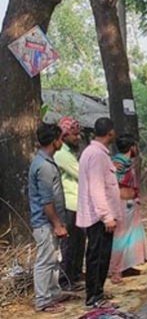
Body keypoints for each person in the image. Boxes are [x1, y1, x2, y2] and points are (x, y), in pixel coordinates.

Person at [77, 117, 120, 309]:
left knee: (99, 255)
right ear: (110, 132)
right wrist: (106, 216)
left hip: (98, 216)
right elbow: (96, 188)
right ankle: (94, 296)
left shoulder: (95, 153)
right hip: (98, 218)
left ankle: (98, 293)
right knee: (98, 257)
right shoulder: (96, 155)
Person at [29, 123, 68, 313]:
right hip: (45, 223)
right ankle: (43, 300)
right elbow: (47, 201)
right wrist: (57, 224)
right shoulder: (44, 166)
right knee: (45, 261)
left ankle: (53, 293)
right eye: (61, 139)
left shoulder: (45, 162)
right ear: (54, 141)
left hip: (49, 222)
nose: (62, 142)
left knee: (53, 259)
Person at [109, 134, 147, 284]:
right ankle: (116, 270)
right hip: (122, 203)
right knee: (121, 237)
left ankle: (127, 265)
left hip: (131, 201)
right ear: (132, 147)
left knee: (132, 235)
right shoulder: (118, 162)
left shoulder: (127, 162)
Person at [54, 117, 86, 292]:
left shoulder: (69, 153)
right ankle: (65, 281)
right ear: (64, 135)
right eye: (74, 134)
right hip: (68, 204)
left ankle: (75, 275)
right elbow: (81, 173)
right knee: (69, 245)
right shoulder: (62, 155)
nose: (78, 137)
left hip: (76, 204)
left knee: (79, 242)